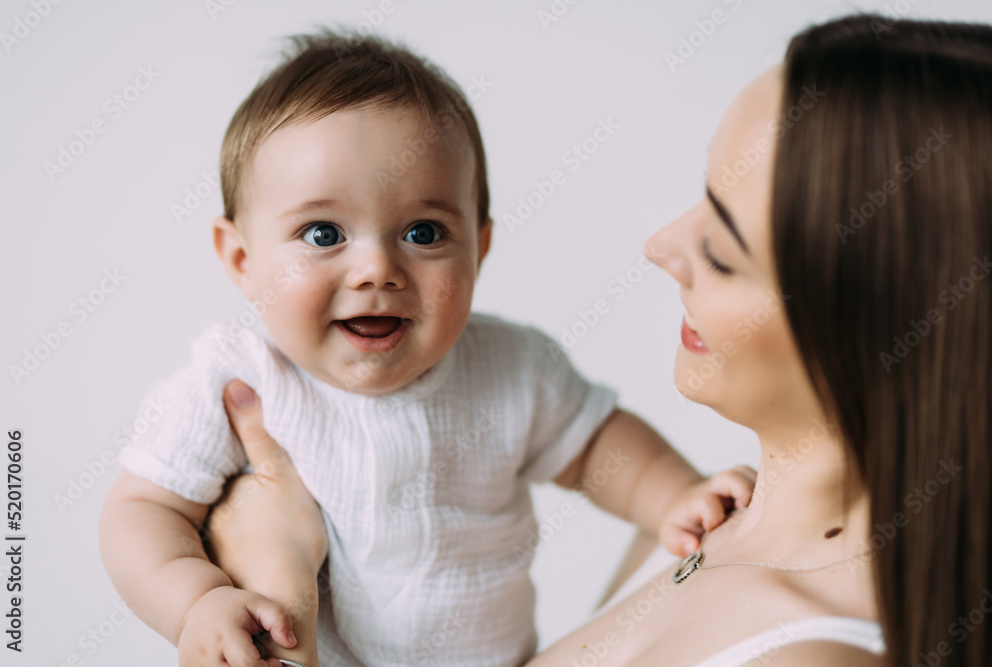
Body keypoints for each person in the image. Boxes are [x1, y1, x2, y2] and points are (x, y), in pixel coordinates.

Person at [204, 14, 992, 666]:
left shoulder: (806, 654)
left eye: (722, 247)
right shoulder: (703, 524)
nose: (662, 245)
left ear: (877, 321)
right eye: (701, 201)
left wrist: (280, 582)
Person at [97, 30, 755, 667]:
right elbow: (143, 510)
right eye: (323, 232)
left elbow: (598, 448)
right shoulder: (239, 378)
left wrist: (676, 496)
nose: (376, 268)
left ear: (481, 247)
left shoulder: (512, 367)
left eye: (422, 230)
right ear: (241, 258)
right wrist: (198, 601)